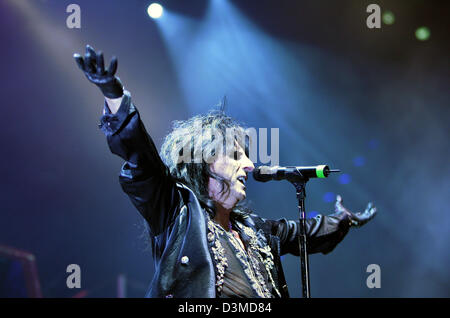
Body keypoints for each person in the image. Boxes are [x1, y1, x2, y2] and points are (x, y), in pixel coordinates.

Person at [73, 45, 377, 298]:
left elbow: (303, 231)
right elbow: (141, 159)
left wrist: (344, 219)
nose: (248, 164)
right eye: (234, 155)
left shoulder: (254, 230)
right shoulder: (175, 213)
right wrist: (113, 94)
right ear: (201, 161)